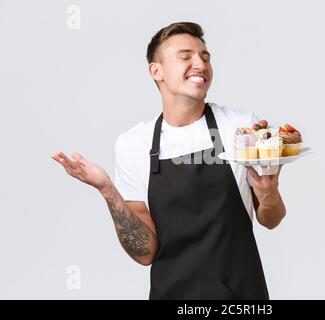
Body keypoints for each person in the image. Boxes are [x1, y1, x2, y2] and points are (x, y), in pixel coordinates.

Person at [51, 22, 286, 300]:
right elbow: (144, 253)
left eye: (205, 57)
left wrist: (269, 196)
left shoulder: (240, 127)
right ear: (156, 71)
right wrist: (107, 190)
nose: (200, 64)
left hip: (241, 294)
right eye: (186, 57)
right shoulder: (133, 144)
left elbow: (271, 219)